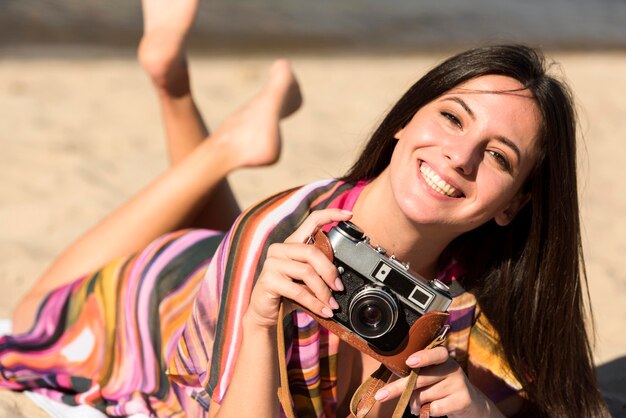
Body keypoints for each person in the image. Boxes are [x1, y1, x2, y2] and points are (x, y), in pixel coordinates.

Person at [0, 1, 609, 417]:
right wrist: (260, 325)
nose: (459, 157)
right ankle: (192, 107)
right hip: (162, 300)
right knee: (32, 319)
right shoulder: (282, 237)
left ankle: (227, 130)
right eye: (451, 117)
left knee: (245, 245)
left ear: (514, 204)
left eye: (499, 156)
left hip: (233, 259)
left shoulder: (477, 301)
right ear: (403, 122)